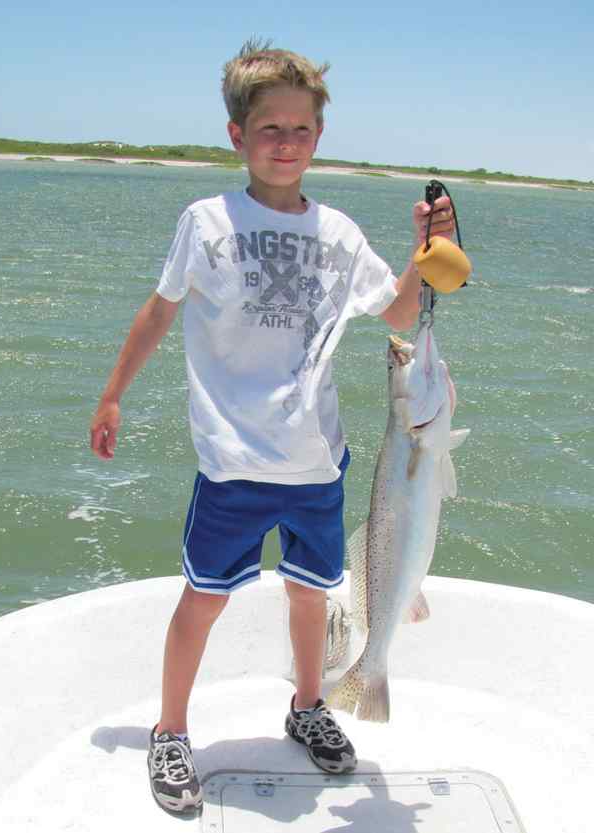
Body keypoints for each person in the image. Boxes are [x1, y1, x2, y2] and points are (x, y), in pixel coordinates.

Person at [90, 40, 456, 814]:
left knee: (309, 595)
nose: (284, 143)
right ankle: (172, 729)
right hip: (231, 462)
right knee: (204, 597)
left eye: (299, 129)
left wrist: (424, 251)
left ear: (317, 139)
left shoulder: (339, 233)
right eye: (268, 129)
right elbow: (161, 309)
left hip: (317, 464)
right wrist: (113, 394)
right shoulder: (206, 221)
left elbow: (395, 310)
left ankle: (308, 705)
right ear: (237, 136)